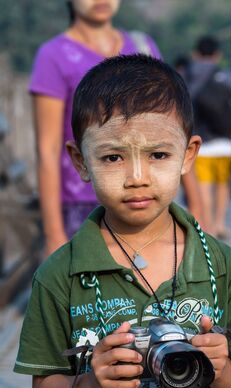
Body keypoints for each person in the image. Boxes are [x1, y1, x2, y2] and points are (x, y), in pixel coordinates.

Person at [15, 55, 231, 388]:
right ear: (81, 161)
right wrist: (90, 384)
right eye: (113, 157)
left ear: (188, 155)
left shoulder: (220, 266)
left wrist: (219, 367)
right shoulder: (61, 273)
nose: (137, 177)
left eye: (158, 155)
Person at [30, 0, 161, 257]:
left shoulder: (143, 48)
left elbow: (170, 130)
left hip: (142, 195)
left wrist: (198, 208)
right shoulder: (54, 56)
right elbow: (48, 149)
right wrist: (54, 233)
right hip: (81, 206)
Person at [185, 35, 231, 238]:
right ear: (218, 55)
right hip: (226, 142)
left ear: (195, 54)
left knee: (204, 184)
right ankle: (220, 222)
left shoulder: (187, 76)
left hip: (200, 143)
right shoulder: (227, 77)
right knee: (223, 183)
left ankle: (207, 227)